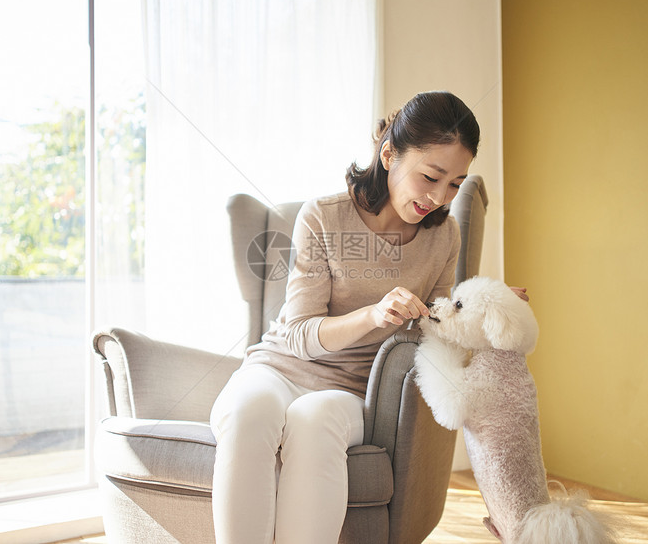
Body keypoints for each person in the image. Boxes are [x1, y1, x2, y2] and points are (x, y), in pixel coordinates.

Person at [210, 90, 507, 544]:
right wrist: (373, 313)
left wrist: (489, 303)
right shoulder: (323, 217)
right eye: (430, 176)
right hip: (280, 367)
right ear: (389, 154)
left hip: (352, 389)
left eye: (454, 184)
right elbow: (299, 335)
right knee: (249, 412)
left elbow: (438, 324)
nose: (438, 196)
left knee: (313, 421)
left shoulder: (443, 235)